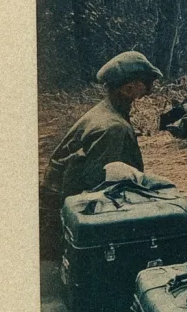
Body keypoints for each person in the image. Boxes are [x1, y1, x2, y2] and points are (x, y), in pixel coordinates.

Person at [39, 50, 162, 259]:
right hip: (61, 223)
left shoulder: (108, 111)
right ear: (128, 88)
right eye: (145, 83)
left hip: (60, 210)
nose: (149, 90)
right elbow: (100, 187)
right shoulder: (112, 127)